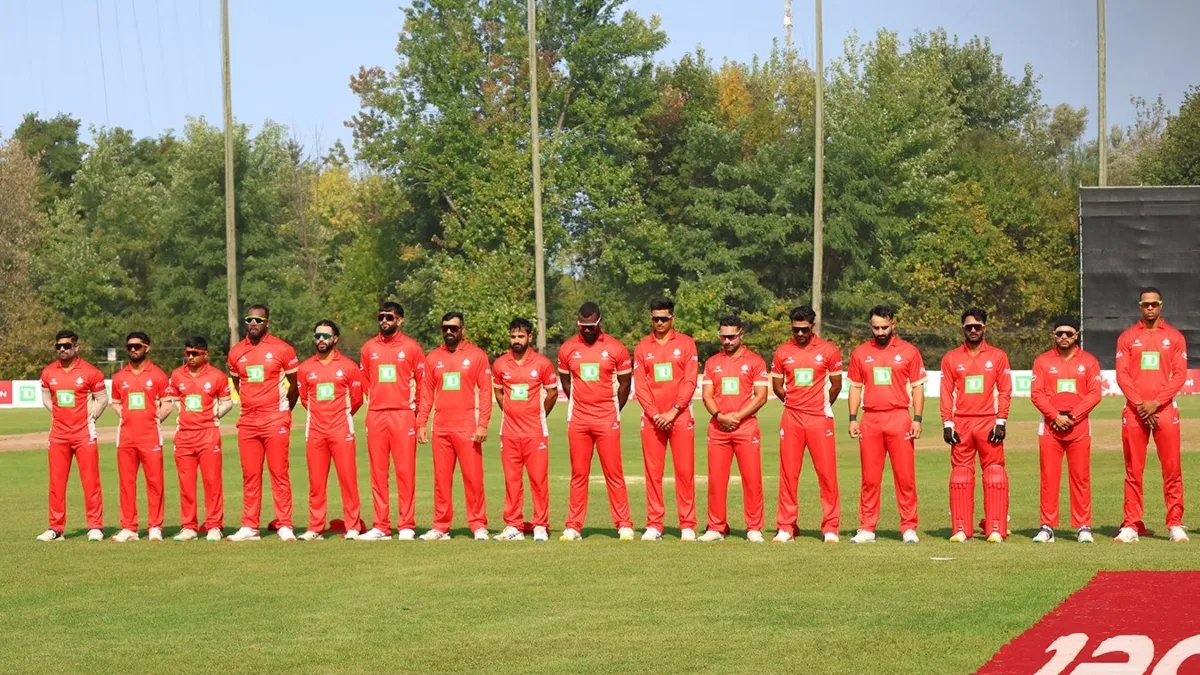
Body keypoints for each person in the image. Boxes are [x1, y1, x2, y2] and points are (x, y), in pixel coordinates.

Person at [846, 306, 927, 545]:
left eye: (884, 327)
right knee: (870, 478)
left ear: (893, 324)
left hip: (899, 418)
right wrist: (852, 418)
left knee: (905, 477)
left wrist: (917, 418)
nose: (880, 332)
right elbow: (855, 388)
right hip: (870, 419)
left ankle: (909, 527)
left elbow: (918, 387)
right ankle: (867, 528)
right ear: (870, 326)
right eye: (876, 328)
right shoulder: (860, 353)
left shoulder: (909, 351)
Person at [1114, 287, 1189, 543]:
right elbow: (1122, 375)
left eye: (1154, 304)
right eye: (1145, 304)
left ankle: (1175, 523)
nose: (1150, 308)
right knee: (1133, 470)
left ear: (1160, 305)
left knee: (1172, 469)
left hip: (1164, 410)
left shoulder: (1175, 337)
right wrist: (1140, 404)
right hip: (1135, 411)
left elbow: (1179, 374)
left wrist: (1156, 403)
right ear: (1140, 306)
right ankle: (1131, 525)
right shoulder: (1127, 337)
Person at [557, 302, 635, 541]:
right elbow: (566, 382)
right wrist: (580, 404)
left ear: (600, 322)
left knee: (614, 473)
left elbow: (625, 384)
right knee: (578, 474)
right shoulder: (568, 348)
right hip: (578, 420)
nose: (587, 330)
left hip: (606, 419)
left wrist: (612, 409)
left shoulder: (616, 348)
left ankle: (624, 524)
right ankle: (573, 526)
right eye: (583, 326)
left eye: (591, 325)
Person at [226, 304, 300, 542]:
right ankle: (250, 526)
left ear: (267, 322)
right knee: (250, 475)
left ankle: (285, 524)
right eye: (250, 320)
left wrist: (283, 409)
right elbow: (239, 386)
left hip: (275, 418)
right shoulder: (236, 352)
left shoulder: (282, 349)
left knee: (279, 473)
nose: (253, 324)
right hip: (248, 421)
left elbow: (295, 386)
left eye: (258, 320)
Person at [416, 311, 493, 541]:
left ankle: (478, 525)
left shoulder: (477, 355)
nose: (449, 332)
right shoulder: (433, 358)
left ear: (462, 330)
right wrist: (421, 422)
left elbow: (486, 392)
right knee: (441, 480)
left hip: (468, 428)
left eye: (454, 328)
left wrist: (483, 424)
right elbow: (426, 393)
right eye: (445, 328)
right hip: (441, 428)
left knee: (473, 479)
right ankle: (441, 527)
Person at [770, 305, 843, 544]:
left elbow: (836, 385)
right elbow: (777, 386)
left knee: (827, 474)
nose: (800, 334)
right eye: (795, 329)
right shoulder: (783, 351)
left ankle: (830, 527)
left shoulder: (829, 350)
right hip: (792, 418)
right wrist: (794, 403)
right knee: (788, 474)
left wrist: (820, 405)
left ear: (813, 326)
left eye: (804, 329)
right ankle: (786, 527)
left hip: (819, 418)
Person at [940, 308, 1012, 544]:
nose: (973, 330)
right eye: (969, 327)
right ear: (963, 329)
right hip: (962, 422)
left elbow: (1005, 389)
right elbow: (946, 392)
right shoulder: (951, 358)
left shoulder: (998, 356)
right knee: (960, 475)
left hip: (988, 422)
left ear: (984, 328)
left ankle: (996, 528)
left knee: (994, 474)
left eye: (977, 326)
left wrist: (1001, 420)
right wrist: (947, 423)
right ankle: (961, 528)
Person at [1029, 316, 1102, 544]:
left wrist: (1073, 416)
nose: (1063, 337)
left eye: (1068, 333)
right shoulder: (1042, 361)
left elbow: (1095, 394)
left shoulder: (1089, 361)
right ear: (1053, 335)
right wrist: (1055, 416)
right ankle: (1047, 527)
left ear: (1076, 335)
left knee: (1080, 478)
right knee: (1049, 478)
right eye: (1059, 333)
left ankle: (1083, 526)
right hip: (1050, 427)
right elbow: (1036, 393)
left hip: (1078, 427)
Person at [358, 302, 426, 541]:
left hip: (403, 414)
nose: (384, 321)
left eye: (389, 317)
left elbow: (423, 384)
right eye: (381, 317)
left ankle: (406, 525)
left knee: (405, 472)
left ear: (400, 320)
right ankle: (381, 526)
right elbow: (365, 381)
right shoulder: (368, 348)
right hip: (376, 414)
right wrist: (377, 399)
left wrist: (419, 417)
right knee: (378, 473)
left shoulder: (412, 347)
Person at [632, 297, 699, 542]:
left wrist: (673, 411)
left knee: (684, 471)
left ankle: (687, 525)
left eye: (664, 318)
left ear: (673, 318)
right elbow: (640, 386)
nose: (659, 322)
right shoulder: (642, 347)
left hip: (680, 416)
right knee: (653, 473)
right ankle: (654, 524)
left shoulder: (686, 343)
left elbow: (690, 380)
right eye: (655, 318)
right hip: (653, 419)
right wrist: (655, 414)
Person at [698, 315, 769, 543]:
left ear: (741, 335)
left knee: (752, 479)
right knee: (716, 480)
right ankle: (715, 527)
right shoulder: (712, 362)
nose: (727, 341)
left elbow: (761, 396)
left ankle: (754, 528)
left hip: (745, 427)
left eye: (731, 337)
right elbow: (707, 396)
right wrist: (719, 416)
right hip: (718, 428)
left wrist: (737, 417)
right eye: (723, 337)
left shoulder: (755, 361)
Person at [36, 330, 108, 542]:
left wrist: (90, 416)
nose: (62, 349)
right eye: (58, 346)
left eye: (67, 346)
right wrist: (57, 413)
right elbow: (46, 397)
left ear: (76, 347)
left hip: (84, 434)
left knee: (91, 481)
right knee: (56, 483)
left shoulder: (91, 372)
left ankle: (95, 526)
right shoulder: (48, 372)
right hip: (58, 435)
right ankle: (56, 528)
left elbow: (102, 399)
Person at [296, 321, 365, 541]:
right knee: (316, 483)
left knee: (348, 480)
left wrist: (339, 417)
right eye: (317, 336)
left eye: (326, 336)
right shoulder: (305, 368)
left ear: (335, 339)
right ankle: (315, 528)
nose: (321, 340)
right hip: (315, 432)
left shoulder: (348, 366)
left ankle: (353, 526)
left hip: (341, 431)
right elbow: (305, 400)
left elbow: (356, 400)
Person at [492, 317, 558, 542]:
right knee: (512, 481)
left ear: (529, 337)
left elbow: (552, 393)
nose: (516, 340)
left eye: (521, 336)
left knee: (538, 481)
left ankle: (540, 525)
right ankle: (513, 525)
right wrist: (510, 412)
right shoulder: (500, 363)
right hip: (509, 432)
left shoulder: (542, 363)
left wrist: (538, 414)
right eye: (513, 336)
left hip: (535, 432)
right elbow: (499, 392)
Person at [167, 337, 233, 542]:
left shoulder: (217, 376)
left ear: (206, 354)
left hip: (208, 434)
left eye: (195, 353)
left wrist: (212, 415)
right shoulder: (177, 375)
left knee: (212, 482)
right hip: (184, 435)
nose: (190, 357)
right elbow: (175, 399)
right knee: (186, 484)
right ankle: (189, 527)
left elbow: (227, 402)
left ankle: (214, 525)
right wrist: (184, 414)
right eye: (187, 353)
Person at [109, 332, 172, 543]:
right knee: (127, 483)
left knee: (155, 483)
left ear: (147, 348)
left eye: (137, 346)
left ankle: (155, 526)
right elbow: (116, 402)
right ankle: (129, 527)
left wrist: (154, 419)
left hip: (150, 436)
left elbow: (168, 403)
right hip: (126, 437)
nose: (133, 350)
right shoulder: (119, 377)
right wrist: (126, 416)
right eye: (129, 347)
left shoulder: (158, 375)